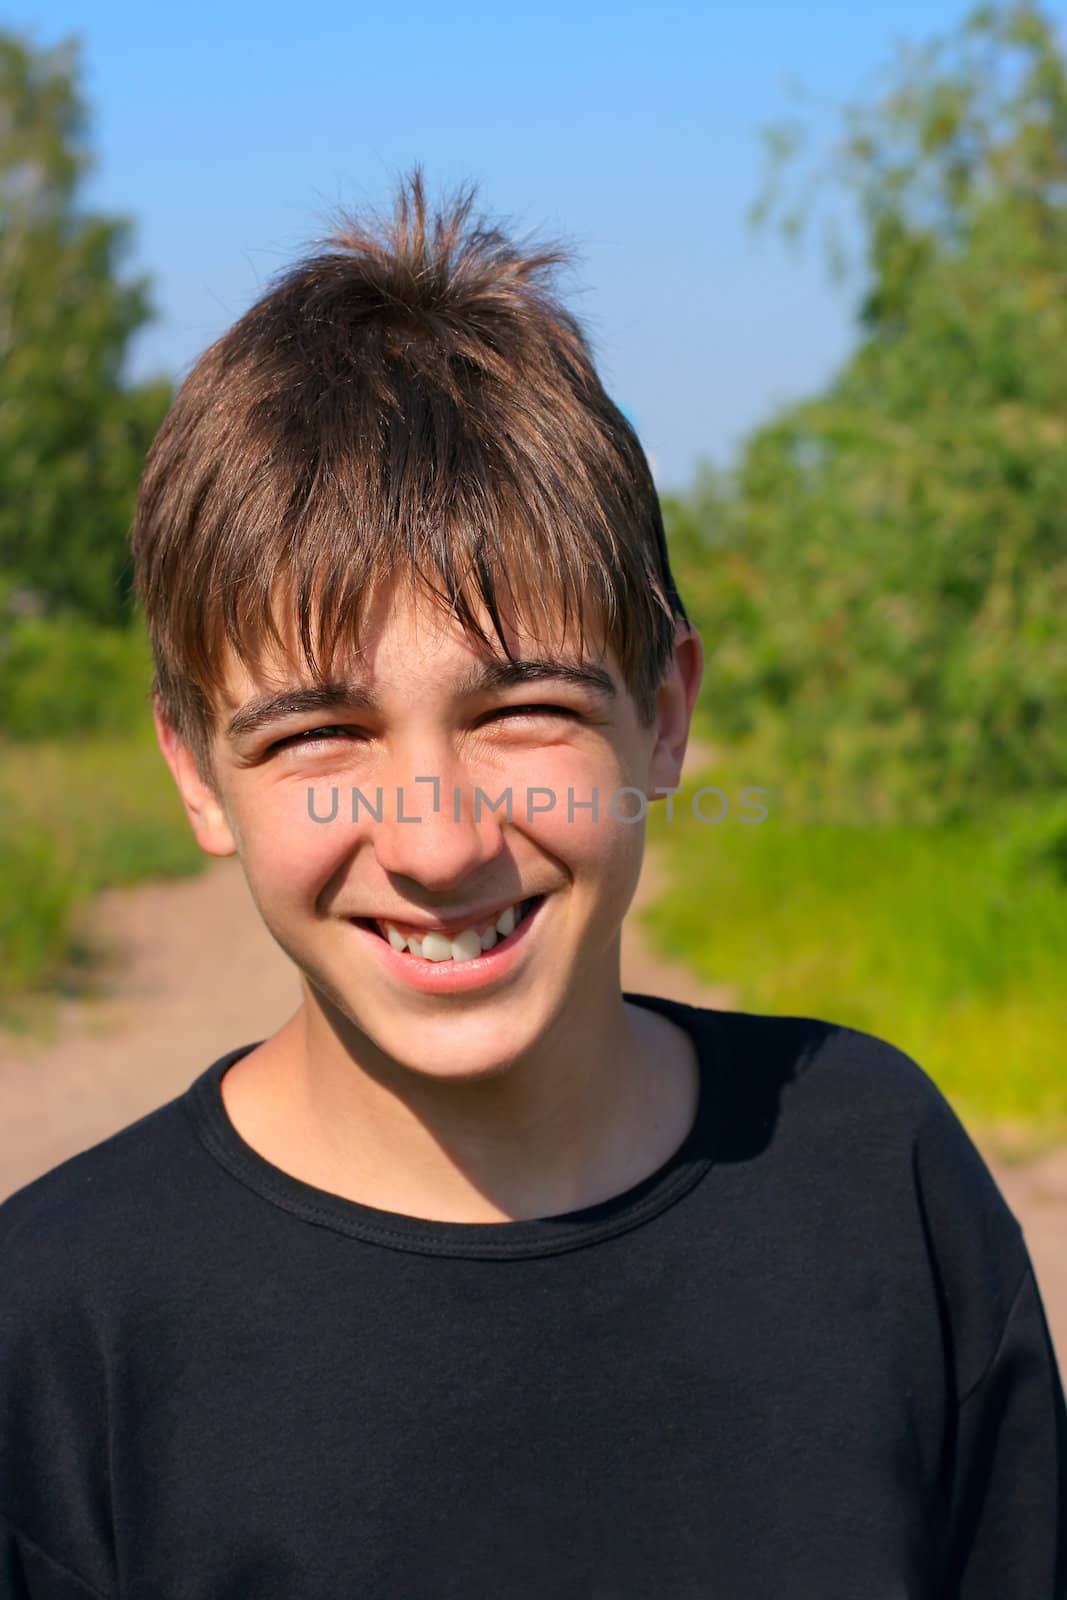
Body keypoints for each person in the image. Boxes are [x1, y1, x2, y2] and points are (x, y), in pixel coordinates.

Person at [1, 166, 1064, 1599]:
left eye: (524, 713)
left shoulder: (882, 1182)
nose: (439, 842)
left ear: (665, 715)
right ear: (197, 770)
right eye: (321, 732)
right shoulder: (62, 1331)